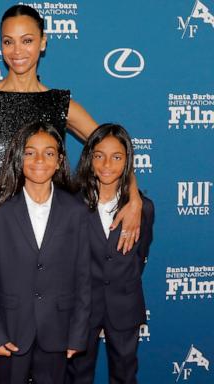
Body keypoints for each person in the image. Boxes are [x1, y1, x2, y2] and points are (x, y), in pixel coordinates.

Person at [0, 4, 142, 283]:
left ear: (42, 43)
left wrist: (134, 197)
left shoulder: (59, 103)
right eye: (9, 42)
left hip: (50, 243)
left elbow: (113, 152)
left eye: (27, 40)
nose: (17, 51)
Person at [0, 122, 91, 384]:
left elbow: (83, 280)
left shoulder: (77, 212)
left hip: (58, 331)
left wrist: (77, 334)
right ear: (19, 158)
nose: (39, 160)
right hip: (11, 331)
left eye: (49, 153)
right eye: (30, 152)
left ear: (59, 160)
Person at [68, 124, 154, 384]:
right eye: (99, 155)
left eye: (117, 157)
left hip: (124, 305)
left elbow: (140, 256)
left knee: (125, 374)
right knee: (78, 375)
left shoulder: (143, 208)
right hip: (82, 308)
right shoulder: (71, 204)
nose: (107, 164)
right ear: (89, 158)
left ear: (128, 161)